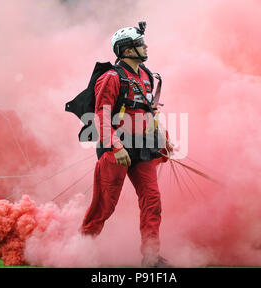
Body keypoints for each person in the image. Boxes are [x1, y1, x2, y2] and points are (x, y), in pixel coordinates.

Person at [80, 23, 173, 267]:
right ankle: (79, 252)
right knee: (104, 206)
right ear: (128, 51)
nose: (146, 46)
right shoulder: (110, 78)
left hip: (143, 148)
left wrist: (163, 136)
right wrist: (116, 147)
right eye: (141, 43)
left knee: (152, 201)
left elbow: (150, 111)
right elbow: (100, 115)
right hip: (117, 150)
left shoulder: (146, 75)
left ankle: (151, 258)